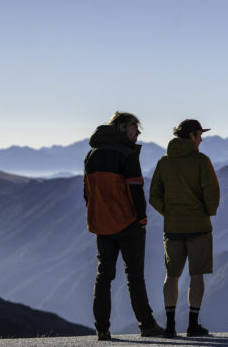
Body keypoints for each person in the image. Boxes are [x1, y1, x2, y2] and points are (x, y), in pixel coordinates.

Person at [83, 111, 164, 341]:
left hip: (102, 225)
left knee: (103, 276)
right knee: (134, 275)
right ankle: (147, 325)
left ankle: (102, 328)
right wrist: (142, 218)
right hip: (128, 223)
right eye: (133, 127)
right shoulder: (127, 154)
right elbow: (135, 189)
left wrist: (97, 214)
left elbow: (87, 193)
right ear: (121, 128)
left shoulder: (92, 155)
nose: (137, 132)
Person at [149, 119, 220, 338]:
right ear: (191, 136)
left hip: (173, 228)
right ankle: (192, 324)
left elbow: (154, 196)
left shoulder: (163, 162)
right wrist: (206, 211)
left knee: (172, 276)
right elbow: (212, 193)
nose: (201, 139)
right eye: (199, 134)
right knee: (196, 276)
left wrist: (170, 213)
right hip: (199, 227)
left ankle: (170, 326)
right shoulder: (201, 161)